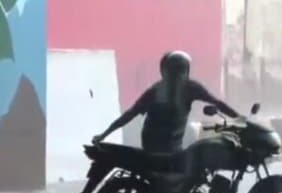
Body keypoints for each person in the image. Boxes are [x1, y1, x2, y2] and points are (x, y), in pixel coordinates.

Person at [92, 50, 241, 154]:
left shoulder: (158, 90)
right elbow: (218, 103)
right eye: (176, 70)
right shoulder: (188, 87)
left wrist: (104, 134)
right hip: (166, 150)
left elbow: (130, 114)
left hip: (159, 147)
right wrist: (241, 119)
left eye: (180, 70)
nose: (178, 75)